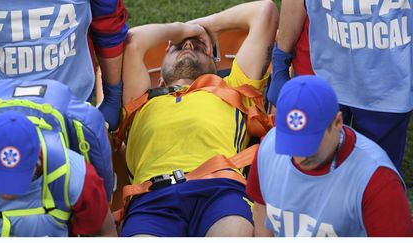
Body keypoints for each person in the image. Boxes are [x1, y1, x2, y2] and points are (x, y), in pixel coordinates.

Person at [119, 0, 278, 237]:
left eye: (199, 47)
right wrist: (184, 30)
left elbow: (265, 11)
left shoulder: (234, 88)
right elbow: (134, 41)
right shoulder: (140, 100)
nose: (189, 45)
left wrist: (206, 26)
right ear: (159, 77)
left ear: (215, 65)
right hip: (152, 199)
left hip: (220, 190)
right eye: (177, 47)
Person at [247, 75, 413, 237]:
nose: (300, 157)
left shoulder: (378, 181)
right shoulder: (269, 147)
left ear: (338, 123)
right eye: (290, 143)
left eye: (310, 144)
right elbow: (261, 209)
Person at [267, 0, 413, 174]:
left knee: (375, 175)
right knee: (310, 167)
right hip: (322, 70)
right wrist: (281, 60)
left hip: (387, 82)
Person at [0, 0, 129, 131]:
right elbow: (108, 26)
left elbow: (108, 24)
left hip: (71, 103)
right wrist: (112, 93)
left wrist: (113, 95)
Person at [0, 111, 117, 237]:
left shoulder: (76, 176)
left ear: (37, 157)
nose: (7, 191)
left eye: (18, 177)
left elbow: (104, 232)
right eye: (1, 177)